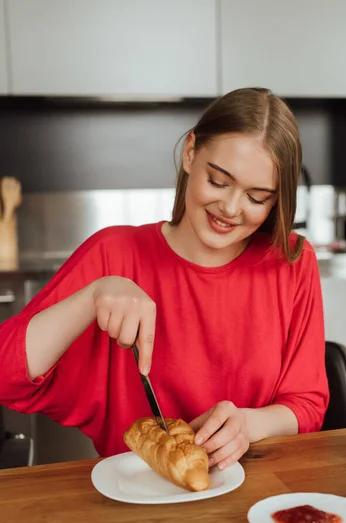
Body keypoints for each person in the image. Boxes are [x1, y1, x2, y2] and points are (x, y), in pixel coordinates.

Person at [0, 87, 329, 470]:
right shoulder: (113, 253)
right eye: (219, 181)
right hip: (138, 504)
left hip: (257, 496)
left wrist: (248, 423)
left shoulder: (292, 261)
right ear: (191, 152)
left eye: (257, 198)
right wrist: (92, 297)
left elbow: (307, 405)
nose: (230, 208)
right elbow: (7, 377)